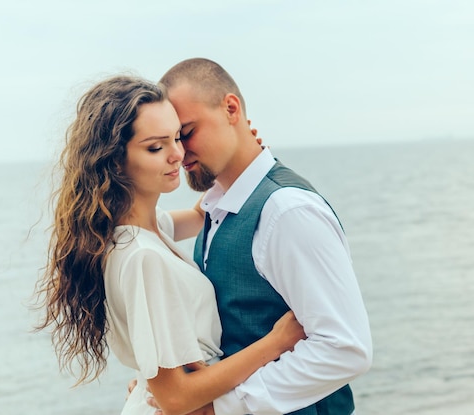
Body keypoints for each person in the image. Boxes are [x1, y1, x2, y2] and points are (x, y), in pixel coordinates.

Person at [34, 75, 306, 415]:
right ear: (114, 160)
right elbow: (175, 398)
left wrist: (241, 149)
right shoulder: (142, 257)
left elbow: (202, 212)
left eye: (178, 137)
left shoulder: (145, 230)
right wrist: (277, 341)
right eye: (155, 147)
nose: (177, 154)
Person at [150, 58, 373, 415]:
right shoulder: (219, 207)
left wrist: (220, 408)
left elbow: (345, 348)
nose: (178, 152)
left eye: (187, 132)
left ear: (231, 109)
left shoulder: (287, 211)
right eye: (170, 139)